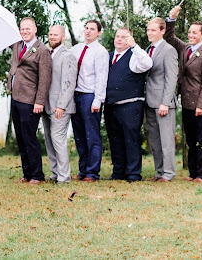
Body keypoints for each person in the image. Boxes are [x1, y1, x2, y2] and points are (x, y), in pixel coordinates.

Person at [164, 6, 202, 182]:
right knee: (191, 139)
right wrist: (171, 19)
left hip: (200, 105)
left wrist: (201, 105)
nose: (191, 35)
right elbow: (169, 37)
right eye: (189, 32)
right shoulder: (186, 48)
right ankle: (193, 173)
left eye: (194, 32)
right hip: (186, 102)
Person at [104, 28, 152, 182]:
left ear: (129, 39)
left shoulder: (134, 56)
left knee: (131, 139)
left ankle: (133, 174)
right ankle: (118, 172)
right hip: (111, 105)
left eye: (124, 37)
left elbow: (148, 64)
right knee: (115, 139)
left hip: (130, 105)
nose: (119, 39)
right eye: (117, 36)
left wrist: (134, 46)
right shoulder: (109, 56)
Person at [7, 17, 52, 184]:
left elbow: (45, 79)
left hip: (30, 100)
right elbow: (6, 30)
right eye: (22, 29)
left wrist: (39, 101)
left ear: (35, 30)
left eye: (28, 29)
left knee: (29, 138)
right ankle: (26, 174)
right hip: (15, 97)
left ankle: (37, 175)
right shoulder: (18, 45)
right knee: (20, 137)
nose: (25, 31)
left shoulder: (42, 50)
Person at [70, 19, 109, 182]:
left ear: (98, 32)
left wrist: (98, 100)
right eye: (86, 28)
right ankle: (83, 169)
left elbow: (102, 77)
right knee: (79, 135)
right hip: (76, 95)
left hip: (90, 96)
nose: (88, 31)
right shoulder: (76, 49)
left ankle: (93, 172)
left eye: (92, 29)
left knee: (91, 135)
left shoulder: (100, 52)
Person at [145, 18, 179, 182]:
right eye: (148, 30)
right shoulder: (147, 49)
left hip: (163, 103)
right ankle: (159, 172)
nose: (150, 33)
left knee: (166, 140)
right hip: (149, 101)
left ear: (162, 31)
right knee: (155, 140)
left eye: (153, 30)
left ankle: (168, 173)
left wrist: (165, 102)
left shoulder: (169, 50)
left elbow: (171, 78)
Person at [42, 25, 76, 184]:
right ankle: (55, 172)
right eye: (50, 34)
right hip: (47, 105)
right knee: (49, 139)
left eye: (55, 35)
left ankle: (64, 176)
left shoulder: (67, 55)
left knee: (58, 139)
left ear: (63, 37)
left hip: (60, 107)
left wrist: (61, 105)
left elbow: (69, 83)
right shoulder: (48, 54)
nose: (52, 37)